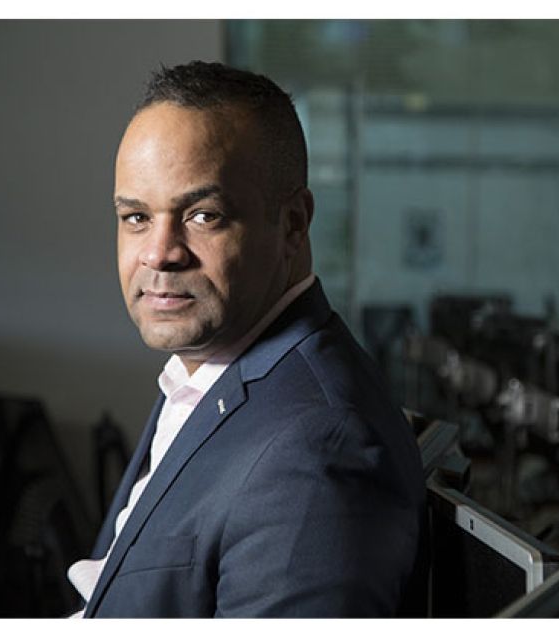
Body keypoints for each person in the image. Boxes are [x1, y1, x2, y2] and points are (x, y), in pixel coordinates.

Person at [66, 61, 426, 617]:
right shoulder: (208, 371)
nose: (159, 253)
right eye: (136, 217)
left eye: (203, 216)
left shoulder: (316, 448)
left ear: (293, 224)